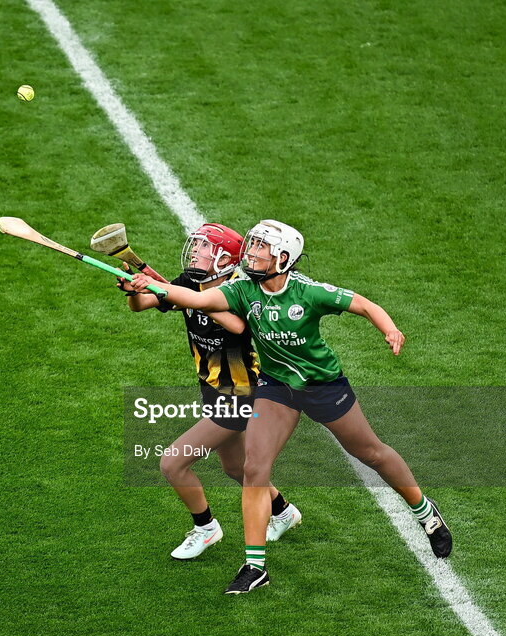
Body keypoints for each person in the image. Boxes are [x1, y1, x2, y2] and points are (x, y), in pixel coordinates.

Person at [130, 219, 452, 594]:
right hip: (275, 388)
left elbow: (363, 304)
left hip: (322, 386)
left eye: (259, 249)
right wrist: (150, 286)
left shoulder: (308, 292)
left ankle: (425, 512)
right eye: (250, 246)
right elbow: (198, 299)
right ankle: (255, 565)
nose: (250, 254)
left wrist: (389, 328)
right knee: (253, 468)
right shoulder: (242, 289)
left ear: (283, 258)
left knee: (373, 454)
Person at [120, 223, 301, 560]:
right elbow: (142, 304)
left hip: (241, 395)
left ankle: (206, 528)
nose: (195, 252)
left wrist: (184, 297)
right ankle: (284, 512)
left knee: (172, 463)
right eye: (197, 246)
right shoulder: (192, 282)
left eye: (204, 248)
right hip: (213, 390)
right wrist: (135, 290)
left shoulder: (240, 291)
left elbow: (237, 325)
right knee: (235, 468)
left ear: (224, 259)